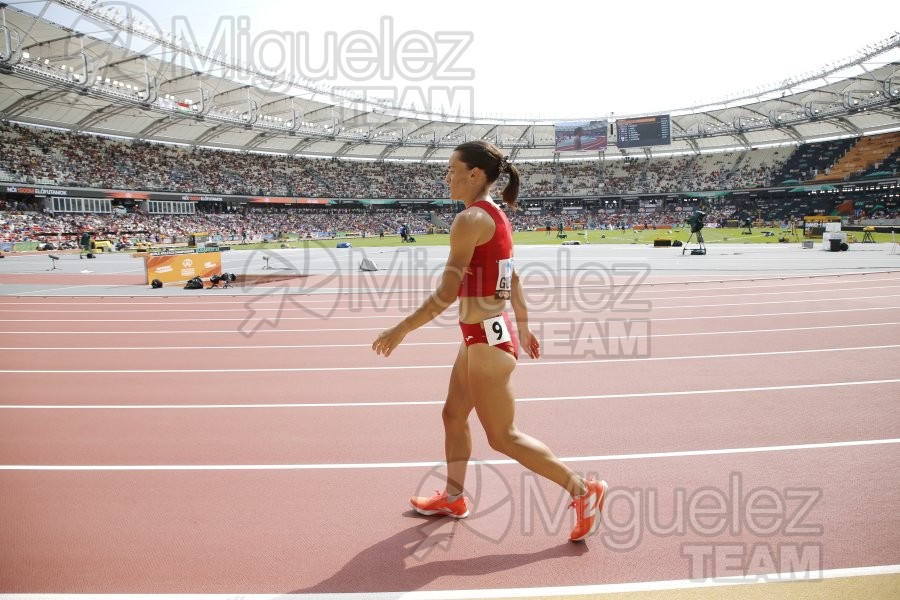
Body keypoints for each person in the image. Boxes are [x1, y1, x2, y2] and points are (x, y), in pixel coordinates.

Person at [372, 140, 607, 542]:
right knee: (452, 415)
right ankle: (454, 497)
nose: (446, 178)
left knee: (503, 437)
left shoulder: (469, 221)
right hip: (481, 336)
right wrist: (525, 325)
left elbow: (446, 294)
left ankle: (584, 490)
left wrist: (401, 329)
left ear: (475, 175)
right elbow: (510, 276)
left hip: (487, 342)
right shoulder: (494, 214)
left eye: (451, 170)